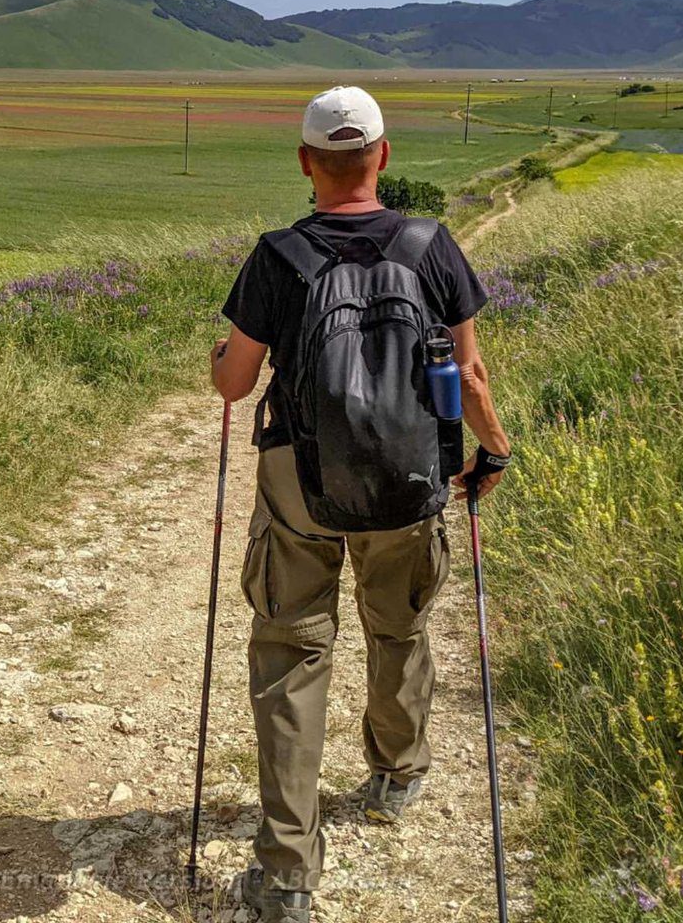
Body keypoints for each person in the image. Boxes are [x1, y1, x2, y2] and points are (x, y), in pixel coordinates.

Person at [209, 85, 512, 923]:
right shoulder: (432, 246)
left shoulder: (278, 256)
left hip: (299, 488)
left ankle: (286, 876)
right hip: (410, 483)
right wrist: (495, 449)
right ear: (384, 155)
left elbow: (235, 384)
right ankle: (396, 772)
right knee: (400, 625)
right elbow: (470, 380)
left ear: (306, 162)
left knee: (292, 655)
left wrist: (217, 359)